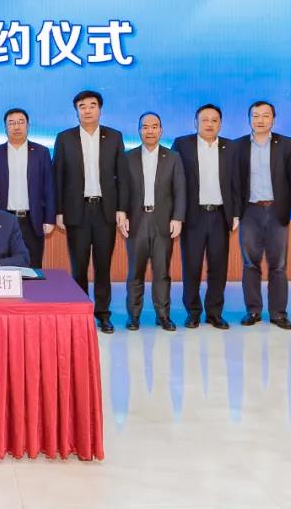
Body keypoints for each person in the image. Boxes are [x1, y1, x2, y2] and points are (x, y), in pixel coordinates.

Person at [52, 90, 128, 334]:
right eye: (82, 106)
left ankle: (103, 314)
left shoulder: (114, 137)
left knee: (103, 266)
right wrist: (59, 211)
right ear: (76, 111)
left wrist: (122, 208)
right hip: (77, 211)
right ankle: (81, 315)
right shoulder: (65, 138)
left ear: (100, 110)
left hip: (105, 211)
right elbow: (58, 177)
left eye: (92, 105)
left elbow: (122, 176)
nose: (87, 110)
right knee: (79, 267)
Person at [171, 104, 238, 330]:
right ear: (196, 122)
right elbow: (173, 181)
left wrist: (235, 213)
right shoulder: (182, 144)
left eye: (214, 120)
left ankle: (214, 313)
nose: (209, 124)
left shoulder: (230, 147)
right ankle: (193, 312)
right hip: (193, 215)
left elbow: (236, 182)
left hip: (220, 215)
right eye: (205, 120)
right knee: (191, 267)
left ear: (220, 123)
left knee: (218, 267)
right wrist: (176, 214)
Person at [233, 100, 291, 330]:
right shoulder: (238, 146)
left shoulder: (287, 144)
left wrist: (288, 206)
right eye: (255, 115)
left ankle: (278, 313)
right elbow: (233, 182)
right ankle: (253, 310)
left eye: (265, 115)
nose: (260, 120)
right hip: (250, 211)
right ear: (249, 119)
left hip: (277, 211)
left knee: (278, 265)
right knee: (250, 263)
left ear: (273, 119)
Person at [120, 113, 186, 332]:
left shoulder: (173, 157)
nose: (150, 131)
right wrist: (122, 214)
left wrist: (178, 217)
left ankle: (163, 316)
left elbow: (180, 190)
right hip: (136, 221)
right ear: (139, 130)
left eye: (154, 126)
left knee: (162, 272)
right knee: (135, 272)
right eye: (145, 127)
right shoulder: (128, 157)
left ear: (161, 130)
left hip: (163, 222)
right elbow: (123, 190)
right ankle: (134, 316)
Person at [0, 108, 55, 268]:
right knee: (2, 266)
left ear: (28, 126)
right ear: (5, 127)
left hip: (32, 220)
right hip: (3, 219)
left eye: (21, 122)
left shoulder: (41, 152)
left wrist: (49, 218)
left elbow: (49, 187)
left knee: (33, 266)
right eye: (12, 123)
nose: (16, 126)